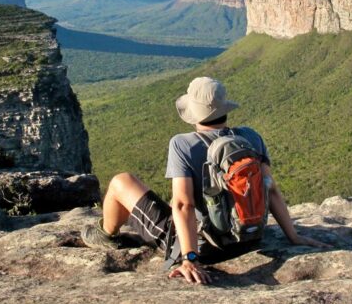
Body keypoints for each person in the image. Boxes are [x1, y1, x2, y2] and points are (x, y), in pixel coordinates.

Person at [81, 77, 330, 285]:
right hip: (249, 238)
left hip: (206, 248)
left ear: (193, 112)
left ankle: (105, 235)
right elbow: (270, 189)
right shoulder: (251, 137)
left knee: (121, 182)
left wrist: (189, 257)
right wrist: (293, 237)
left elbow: (182, 205)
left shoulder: (183, 144)